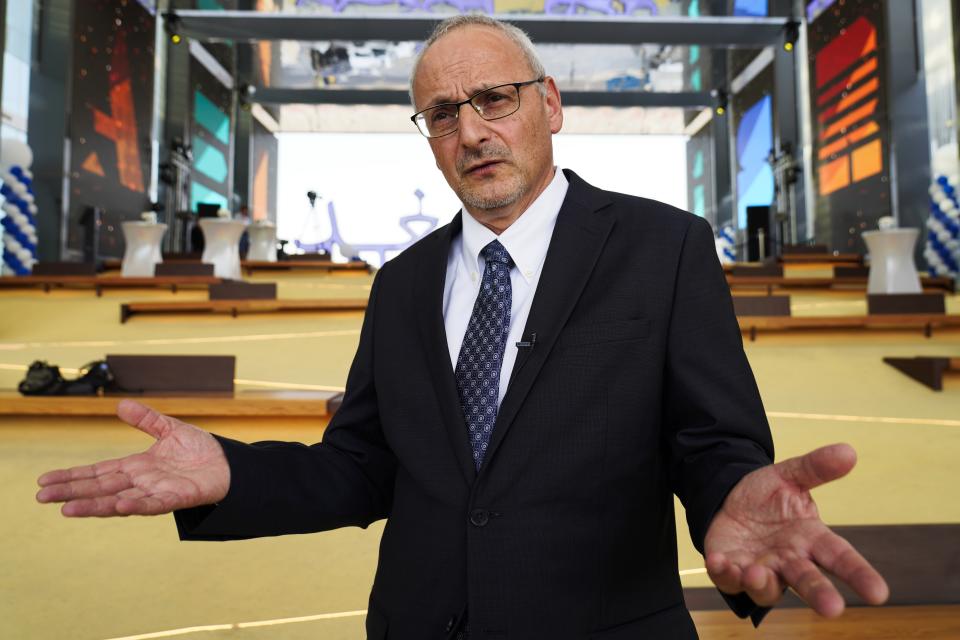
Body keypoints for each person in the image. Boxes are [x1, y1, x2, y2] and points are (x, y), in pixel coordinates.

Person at [37, 15, 888, 639]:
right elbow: (364, 467)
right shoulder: (403, 285)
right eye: (442, 113)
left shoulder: (664, 247)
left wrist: (727, 500)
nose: (471, 130)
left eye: (494, 99)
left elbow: (711, 444)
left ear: (548, 105)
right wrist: (232, 472)